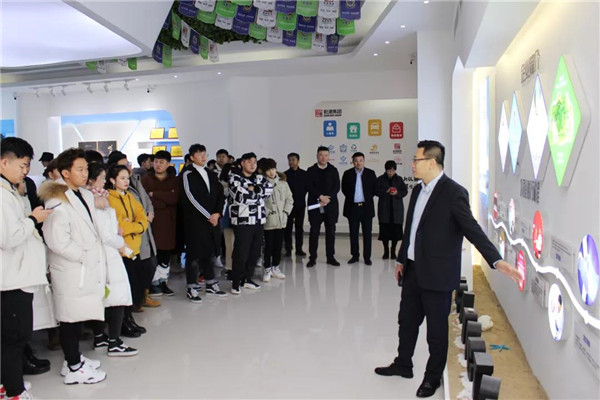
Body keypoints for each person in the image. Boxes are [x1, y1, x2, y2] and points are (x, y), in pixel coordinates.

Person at [374, 140, 521, 398]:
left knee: (436, 332)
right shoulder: (417, 191)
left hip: (438, 276)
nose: (412, 164)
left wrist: (496, 260)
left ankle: (432, 378)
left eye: (416, 160)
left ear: (432, 162)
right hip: (412, 271)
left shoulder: (453, 193)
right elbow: (411, 230)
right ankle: (403, 364)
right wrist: (401, 259)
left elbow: (471, 229)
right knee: (406, 322)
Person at [40, 148, 107, 384]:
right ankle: (74, 367)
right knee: (70, 319)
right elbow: (57, 240)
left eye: (86, 168)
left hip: (84, 267)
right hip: (71, 268)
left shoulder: (83, 194)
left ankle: (73, 359)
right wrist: (83, 256)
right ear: (65, 173)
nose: (85, 173)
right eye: (79, 169)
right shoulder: (56, 200)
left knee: (78, 317)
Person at [1, 138, 53, 399]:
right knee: (14, 337)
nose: (25, 171)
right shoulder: (2, 195)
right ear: (4, 162)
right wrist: (33, 218)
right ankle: (14, 391)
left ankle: (7, 384)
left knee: (15, 336)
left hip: (18, 275)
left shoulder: (10, 191)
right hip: (11, 278)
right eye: (22, 166)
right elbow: (8, 237)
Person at [87, 163, 138, 357]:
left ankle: (100, 336)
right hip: (107, 254)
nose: (103, 182)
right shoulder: (94, 200)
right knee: (116, 297)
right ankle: (114, 342)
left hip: (106, 253)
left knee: (104, 298)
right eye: (101, 178)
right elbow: (107, 234)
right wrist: (122, 244)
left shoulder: (97, 197)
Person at [107, 151, 160, 309]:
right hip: (127, 243)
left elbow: (144, 205)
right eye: (123, 165)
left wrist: (145, 218)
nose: (128, 168)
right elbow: (121, 225)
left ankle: (142, 297)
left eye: (128, 164)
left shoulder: (134, 183)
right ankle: (134, 304)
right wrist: (139, 224)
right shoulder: (111, 196)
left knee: (149, 265)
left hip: (141, 235)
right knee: (133, 274)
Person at [105, 164, 149, 337]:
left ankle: (129, 319)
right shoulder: (109, 198)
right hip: (120, 250)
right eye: (122, 178)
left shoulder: (130, 196)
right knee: (123, 289)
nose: (126, 181)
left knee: (133, 286)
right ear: (112, 180)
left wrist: (136, 226)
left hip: (134, 249)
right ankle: (122, 323)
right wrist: (135, 226)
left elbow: (143, 218)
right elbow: (118, 226)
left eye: (127, 178)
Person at [180, 144, 227, 302]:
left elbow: (221, 194)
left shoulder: (211, 174)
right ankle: (192, 287)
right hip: (196, 222)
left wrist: (218, 213)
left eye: (204, 154)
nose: (203, 157)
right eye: (199, 154)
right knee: (193, 255)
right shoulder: (187, 174)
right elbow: (190, 197)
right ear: (192, 157)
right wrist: (208, 215)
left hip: (213, 221)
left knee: (210, 252)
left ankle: (211, 283)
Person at [229, 152, 273, 294]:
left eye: (254, 162)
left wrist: (254, 189)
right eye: (249, 161)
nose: (252, 164)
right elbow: (241, 197)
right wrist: (258, 192)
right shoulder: (235, 178)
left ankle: (247, 278)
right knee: (241, 252)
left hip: (258, 220)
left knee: (255, 252)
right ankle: (236, 282)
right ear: (242, 163)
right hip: (243, 221)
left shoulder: (259, 177)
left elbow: (269, 190)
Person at [142, 150, 180, 297]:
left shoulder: (174, 180)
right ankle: (154, 284)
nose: (158, 165)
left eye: (161, 162)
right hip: (152, 222)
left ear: (168, 164)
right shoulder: (146, 179)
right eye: (156, 162)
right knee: (153, 253)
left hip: (169, 222)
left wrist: (155, 194)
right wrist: (164, 200)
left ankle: (163, 282)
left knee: (165, 253)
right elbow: (145, 200)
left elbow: (174, 198)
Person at [341, 152, 378, 265]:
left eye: (361, 160)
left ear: (364, 161)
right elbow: (344, 189)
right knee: (353, 233)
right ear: (353, 161)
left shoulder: (371, 173)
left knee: (367, 233)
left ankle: (367, 257)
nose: (358, 163)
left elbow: (375, 189)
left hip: (366, 208)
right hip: (352, 208)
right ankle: (355, 255)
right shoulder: (347, 173)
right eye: (356, 160)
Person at [306, 146, 340, 268]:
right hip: (315, 205)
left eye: (326, 155)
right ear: (317, 156)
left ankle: (330, 257)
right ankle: (312, 258)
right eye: (321, 155)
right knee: (314, 232)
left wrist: (327, 198)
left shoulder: (333, 170)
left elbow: (337, 186)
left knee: (331, 232)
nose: (323, 158)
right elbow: (309, 186)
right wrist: (320, 196)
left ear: (329, 156)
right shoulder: (311, 170)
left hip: (330, 206)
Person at [261, 158, 293, 282]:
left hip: (281, 221)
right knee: (268, 246)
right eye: (268, 170)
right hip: (269, 221)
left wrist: (285, 212)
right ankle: (267, 269)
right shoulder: (262, 184)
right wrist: (267, 213)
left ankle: (276, 267)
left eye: (273, 169)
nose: (271, 172)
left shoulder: (283, 183)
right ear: (264, 171)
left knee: (278, 246)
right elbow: (259, 201)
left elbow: (289, 199)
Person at [377, 160, 408, 259]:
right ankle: (386, 251)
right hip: (384, 210)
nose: (391, 172)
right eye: (389, 170)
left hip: (396, 210)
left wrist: (397, 192)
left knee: (396, 233)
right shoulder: (380, 179)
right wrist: (386, 191)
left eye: (393, 170)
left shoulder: (399, 179)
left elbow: (405, 191)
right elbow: (376, 191)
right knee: (384, 232)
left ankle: (393, 250)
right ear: (385, 170)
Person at [284, 152, 309, 257]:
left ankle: (299, 249)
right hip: (288, 206)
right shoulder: (284, 175)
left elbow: (307, 188)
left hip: (300, 205)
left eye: (293, 160)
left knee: (299, 228)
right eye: (289, 160)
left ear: (298, 161)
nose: (291, 162)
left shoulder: (304, 174)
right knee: (287, 228)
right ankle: (288, 249)